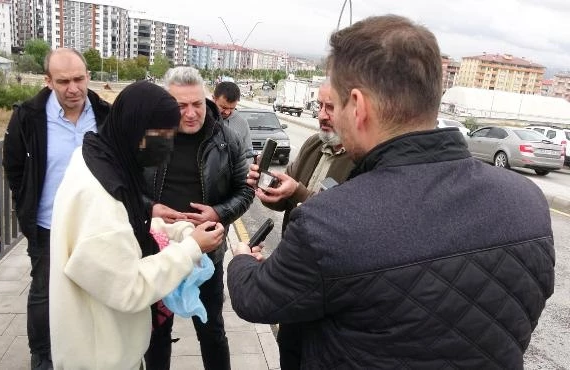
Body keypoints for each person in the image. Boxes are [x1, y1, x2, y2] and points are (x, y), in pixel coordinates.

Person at [227, 15, 555, 369]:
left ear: (358, 106)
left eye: (335, 105)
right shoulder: (528, 203)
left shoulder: (328, 222)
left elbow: (255, 300)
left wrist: (242, 259)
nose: (331, 119)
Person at [48, 81, 225, 369]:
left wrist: (173, 231)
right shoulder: (98, 198)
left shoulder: (97, 157)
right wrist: (191, 248)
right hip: (101, 357)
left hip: (107, 342)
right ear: (137, 128)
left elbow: (122, 234)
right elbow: (129, 287)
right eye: (163, 137)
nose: (166, 148)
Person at [2, 47, 111, 370]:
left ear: (88, 76)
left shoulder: (105, 115)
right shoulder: (28, 117)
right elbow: (14, 167)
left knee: (95, 290)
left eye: (79, 78)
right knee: (45, 294)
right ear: (48, 81)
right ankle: (44, 356)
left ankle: (93, 350)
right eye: (63, 81)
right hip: (48, 225)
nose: (73, 88)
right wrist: (27, 208)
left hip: (95, 225)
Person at [143, 66, 254, 370]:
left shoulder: (225, 140)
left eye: (197, 104)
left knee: (212, 331)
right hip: (157, 253)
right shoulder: (151, 136)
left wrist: (218, 212)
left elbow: (245, 191)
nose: (191, 113)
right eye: (181, 106)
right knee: (155, 334)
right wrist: (149, 208)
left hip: (206, 254)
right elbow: (125, 188)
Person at [246, 79, 354, 370]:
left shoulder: (362, 159)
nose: (321, 115)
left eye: (330, 107)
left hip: (330, 291)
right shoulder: (314, 144)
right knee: (288, 351)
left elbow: (338, 219)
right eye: (319, 106)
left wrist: (297, 192)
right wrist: (266, 188)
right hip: (296, 280)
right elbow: (284, 201)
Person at [213, 81, 254, 160]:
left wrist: (246, 169)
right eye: (223, 107)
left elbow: (248, 154)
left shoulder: (242, 123)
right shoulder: (202, 119)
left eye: (232, 108)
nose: (227, 112)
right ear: (214, 99)